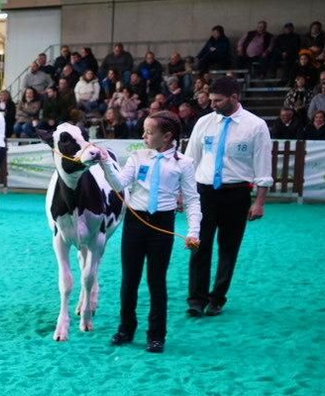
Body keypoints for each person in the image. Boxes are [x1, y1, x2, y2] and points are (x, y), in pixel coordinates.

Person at [93, 114, 201, 353]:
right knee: (129, 279)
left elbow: (192, 200)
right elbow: (119, 184)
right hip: (135, 221)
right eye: (144, 131)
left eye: (149, 132)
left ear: (168, 136)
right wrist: (105, 163)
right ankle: (126, 328)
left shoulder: (184, 163)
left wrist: (194, 231)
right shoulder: (137, 157)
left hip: (163, 224)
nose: (144, 136)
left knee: (156, 280)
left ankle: (157, 335)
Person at [182, 76, 272, 318]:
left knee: (228, 248)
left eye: (218, 100)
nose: (212, 105)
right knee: (199, 246)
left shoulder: (256, 126)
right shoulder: (203, 123)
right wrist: (183, 193)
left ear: (235, 97)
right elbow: (190, 160)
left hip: (237, 193)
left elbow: (263, 166)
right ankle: (196, 299)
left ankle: (217, 297)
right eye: (210, 100)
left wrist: (260, 201)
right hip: (204, 192)